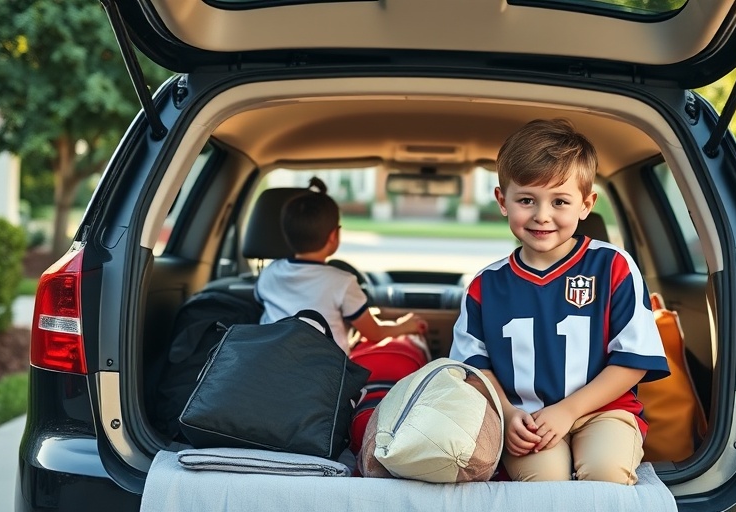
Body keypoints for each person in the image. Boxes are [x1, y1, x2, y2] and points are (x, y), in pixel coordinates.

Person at [450, 119, 670, 484]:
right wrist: (506, 412)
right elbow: (473, 367)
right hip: (527, 419)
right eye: (526, 200)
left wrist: (568, 411)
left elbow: (633, 360)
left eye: (560, 201)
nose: (542, 215)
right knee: (544, 486)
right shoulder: (485, 285)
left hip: (604, 410)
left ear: (586, 204)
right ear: (503, 202)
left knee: (605, 474)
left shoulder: (613, 267)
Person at [254, 178, 427, 354]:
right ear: (333, 236)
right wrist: (404, 326)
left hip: (271, 365)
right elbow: (375, 333)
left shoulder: (269, 273)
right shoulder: (343, 282)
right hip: (324, 374)